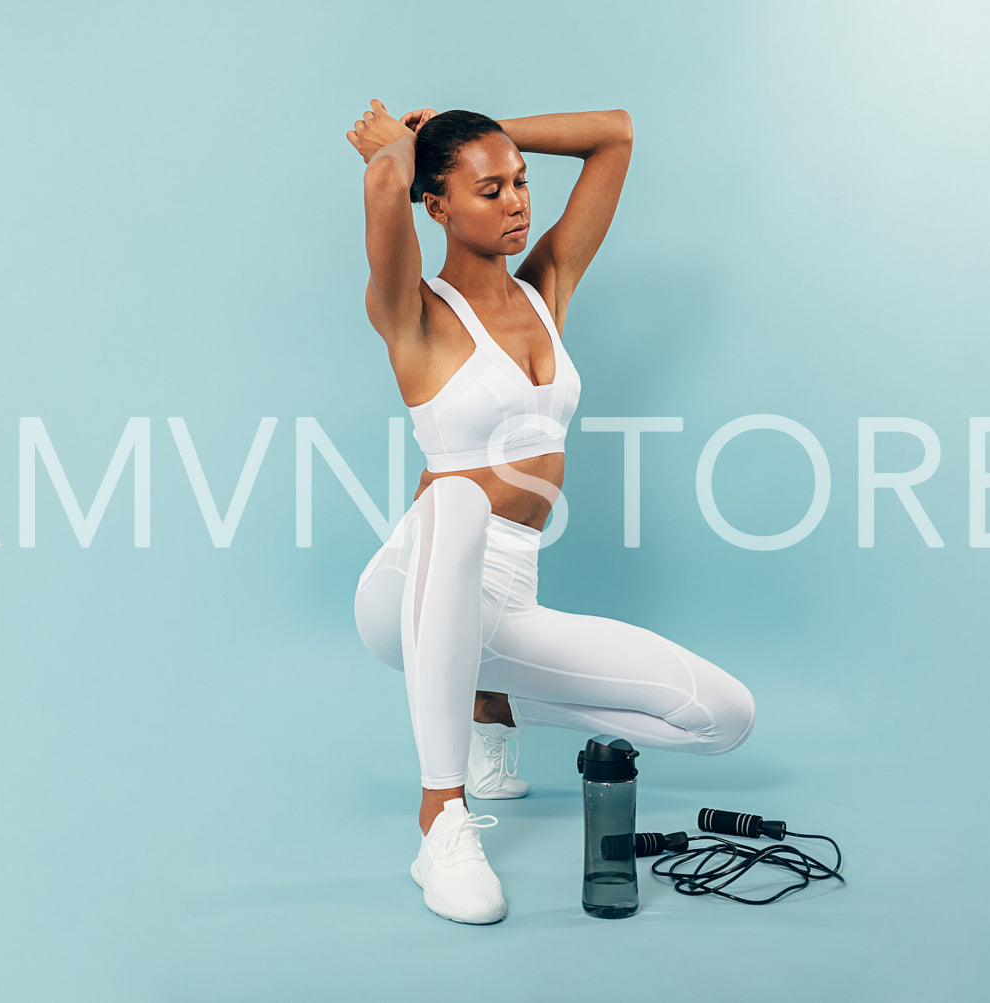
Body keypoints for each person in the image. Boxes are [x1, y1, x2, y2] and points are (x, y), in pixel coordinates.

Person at [346, 100, 756, 924]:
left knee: (722, 716)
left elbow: (617, 133)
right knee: (457, 498)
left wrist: (492, 132)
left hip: (508, 597)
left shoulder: (545, 291)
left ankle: (488, 707)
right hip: (409, 591)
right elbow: (383, 193)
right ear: (438, 207)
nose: (517, 201)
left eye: (521, 183)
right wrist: (399, 149)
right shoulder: (412, 314)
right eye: (488, 188)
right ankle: (442, 817)